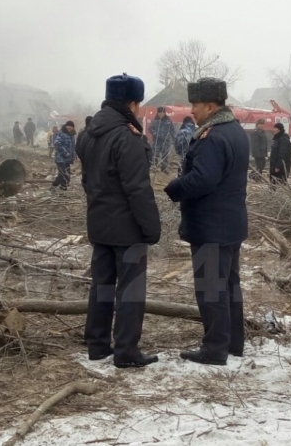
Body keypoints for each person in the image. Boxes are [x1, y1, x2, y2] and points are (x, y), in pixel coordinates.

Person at [76, 73, 160, 369]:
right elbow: (138, 188)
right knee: (131, 290)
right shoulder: (127, 136)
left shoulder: (87, 134)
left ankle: (98, 345)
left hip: (98, 223)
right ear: (133, 103)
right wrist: (152, 228)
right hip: (127, 228)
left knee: (101, 285)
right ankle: (126, 351)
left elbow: (87, 180)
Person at [164, 77, 249, 366]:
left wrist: (174, 188)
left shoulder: (212, 137)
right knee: (229, 286)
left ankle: (214, 350)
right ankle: (233, 343)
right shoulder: (235, 130)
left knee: (212, 289)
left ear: (211, 106)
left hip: (211, 226)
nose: (192, 110)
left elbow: (203, 179)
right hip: (230, 224)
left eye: (196, 105)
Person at [148, 107, 175, 172]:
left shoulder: (168, 121)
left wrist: (174, 139)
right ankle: (154, 168)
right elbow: (150, 129)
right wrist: (155, 134)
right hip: (156, 141)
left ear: (164, 113)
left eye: (162, 112)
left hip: (165, 142)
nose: (161, 114)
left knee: (165, 156)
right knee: (155, 155)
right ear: (157, 113)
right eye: (159, 112)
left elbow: (172, 130)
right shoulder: (154, 121)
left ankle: (164, 169)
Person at [51, 121, 76, 191]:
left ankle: (63, 189)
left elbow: (73, 147)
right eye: (68, 126)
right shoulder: (61, 134)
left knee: (66, 175)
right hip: (60, 158)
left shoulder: (72, 135)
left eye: (71, 126)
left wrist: (74, 155)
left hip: (68, 159)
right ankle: (54, 185)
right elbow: (57, 143)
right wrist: (65, 152)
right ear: (65, 126)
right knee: (63, 174)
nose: (69, 127)